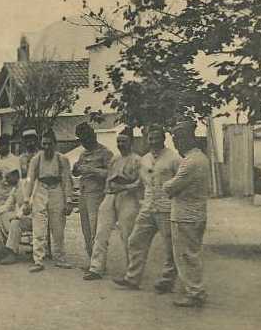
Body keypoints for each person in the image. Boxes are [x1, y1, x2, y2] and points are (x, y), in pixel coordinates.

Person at [113, 125, 180, 292]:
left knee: (170, 246)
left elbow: (180, 184)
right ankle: (132, 278)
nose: (153, 141)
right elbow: (140, 183)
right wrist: (125, 187)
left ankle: (167, 281)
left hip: (166, 208)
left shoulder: (174, 158)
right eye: (150, 138)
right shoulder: (144, 160)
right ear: (146, 139)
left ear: (164, 138)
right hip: (148, 206)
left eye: (157, 137)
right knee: (135, 240)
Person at [84, 129, 142, 280]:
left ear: (131, 142)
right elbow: (108, 179)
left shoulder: (137, 160)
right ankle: (96, 268)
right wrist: (107, 193)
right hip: (110, 196)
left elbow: (139, 183)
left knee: (127, 234)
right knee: (100, 232)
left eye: (124, 141)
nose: (121, 144)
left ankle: (132, 273)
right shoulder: (115, 159)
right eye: (119, 141)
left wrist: (125, 187)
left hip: (128, 197)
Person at [164, 121, 210, 307]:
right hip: (196, 214)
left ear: (186, 139)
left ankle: (195, 292)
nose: (176, 144)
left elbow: (170, 188)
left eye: (177, 139)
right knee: (191, 254)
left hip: (185, 215)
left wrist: (167, 183)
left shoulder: (190, 162)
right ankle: (195, 290)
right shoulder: (201, 158)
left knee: (186, 256)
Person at [22, 130, 73, 273]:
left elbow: (67, 180)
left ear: (55, 144)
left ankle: (60, 258)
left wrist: (68, 200)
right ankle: (38, 260)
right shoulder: (36, 159)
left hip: (56, 190)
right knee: (39, 226)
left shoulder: (62, 159)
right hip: (41, 191)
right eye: (44, 144)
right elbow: (30, 180)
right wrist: (27, 200)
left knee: (58, 227)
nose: (46, 147)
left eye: (49, 144)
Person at [72, 122, 114, 263]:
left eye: (87, 138)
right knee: (86, 230)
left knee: (96, 229)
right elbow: (77, 172)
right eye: (82, 140)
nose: (85, 143)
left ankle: (98, 264)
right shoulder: (83, 154)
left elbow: (111, 174)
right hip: (83, 194)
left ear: (94, 135)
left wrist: (91, 170)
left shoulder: (105, 153)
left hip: (97, 195)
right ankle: (92, 261)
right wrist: (76, 169)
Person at [0, 168, 26, 265]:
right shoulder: (15, 188)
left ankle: (12, 253)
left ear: (15, 176)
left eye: (8, 178)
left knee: (15, 223)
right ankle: (7, 246)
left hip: (34, 217)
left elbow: (28, 204)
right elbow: (7, 205)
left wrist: (18, 216)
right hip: (23, 216)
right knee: (0, 217)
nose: (6, 180)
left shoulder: (26, 185)